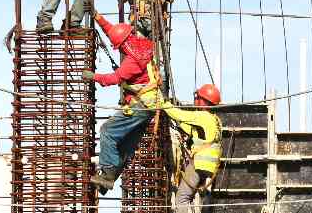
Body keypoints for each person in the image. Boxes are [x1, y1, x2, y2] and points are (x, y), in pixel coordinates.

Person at [84, 12, 223, 196]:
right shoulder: (139, 44)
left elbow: (114, 78)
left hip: (141, 106)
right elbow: (114, 31)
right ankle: (108, 180)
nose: (119, 50)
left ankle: (107, 172)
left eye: (118, 47)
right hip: (147, 107)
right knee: (126, 146)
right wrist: (97, 16)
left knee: (107, 131)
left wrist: (94, 77)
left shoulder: (132, 61)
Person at [171, 84, 223, 213]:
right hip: (210, 168)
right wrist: (180, 125)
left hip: (199, 164)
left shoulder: (202, 116)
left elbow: (179, 114)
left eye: (198, 97)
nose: (196, 100)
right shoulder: (215, 120)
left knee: (182, 198)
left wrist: (163, 104)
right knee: (204, 198)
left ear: (203, 100)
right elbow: (196, 132)